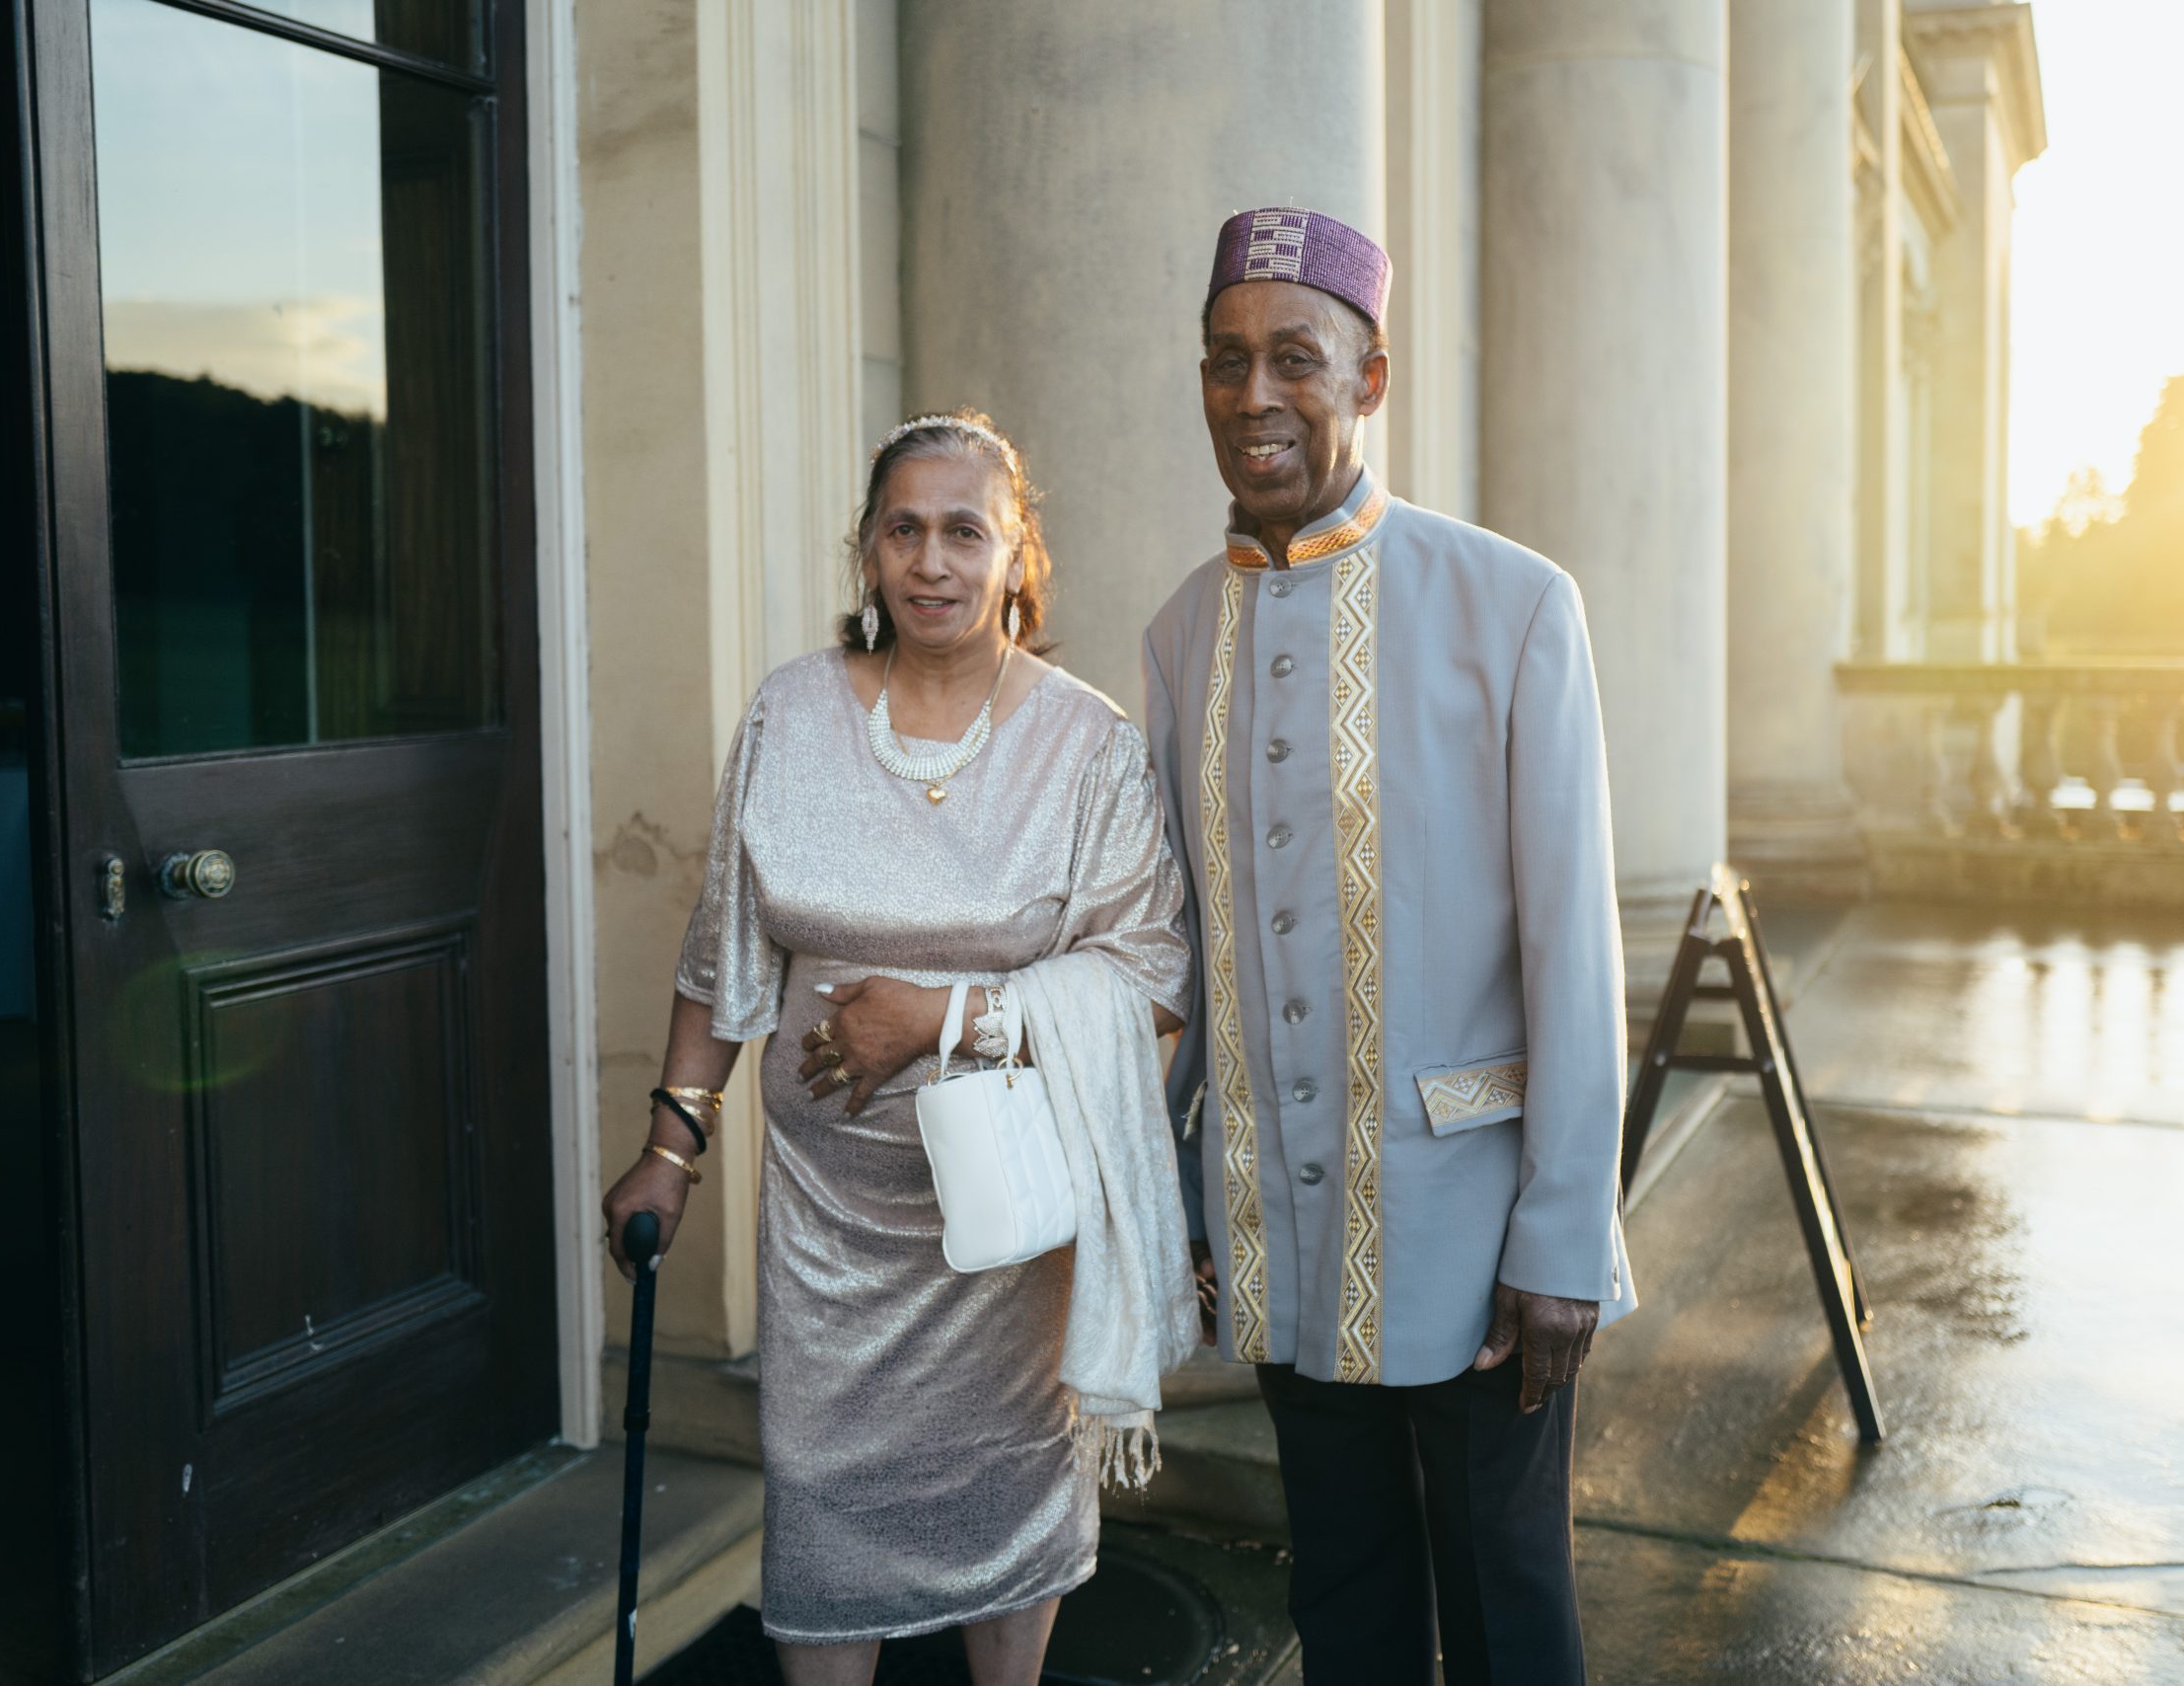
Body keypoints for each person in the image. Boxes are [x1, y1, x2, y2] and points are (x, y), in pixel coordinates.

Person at [600, 411, 1198, 1686]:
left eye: (965, 532)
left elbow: (1149, 976)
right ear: (867, 555)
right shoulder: (790, 714)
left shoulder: (1086, 746)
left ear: (1017, 556)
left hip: (1005, 1248)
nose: (933, 561)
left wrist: (937, 1017)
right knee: (820, 1528)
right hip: (828, 1238)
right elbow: (722, 957)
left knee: (1005, 1524)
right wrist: (671, 1147)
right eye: (904, 530)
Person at [1141, 208, 1636, 1685]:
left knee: (1506, 1606)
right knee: (1345, 1602)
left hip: (1478, 1240)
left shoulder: (1516, 604)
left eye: (1296, 357)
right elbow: (1181, 952)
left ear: (1372, 378)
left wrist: (1562, 1243)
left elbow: (1576, 953)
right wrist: (1181, 1199)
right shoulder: (1177, 636)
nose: (1254, 395)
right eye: (1226, 362)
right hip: (1284, 1236)